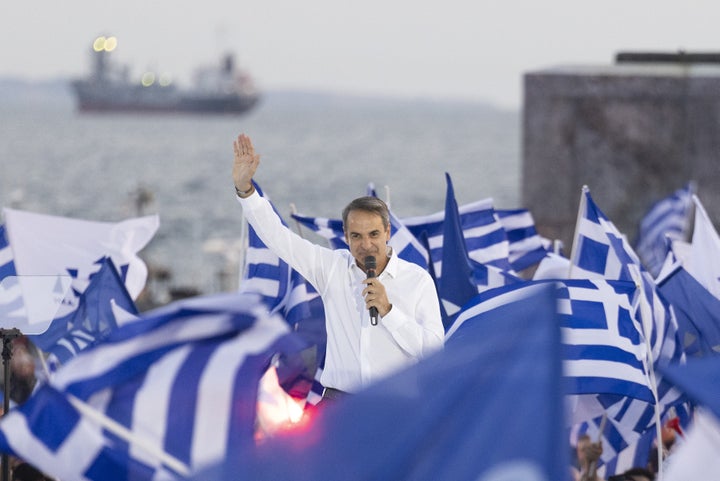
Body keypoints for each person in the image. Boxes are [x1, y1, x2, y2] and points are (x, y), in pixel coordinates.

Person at [232, 133, 444, 401]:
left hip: (395, 406)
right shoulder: (332, 268)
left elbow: (434, 352)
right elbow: (278, 238)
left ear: (388, 232)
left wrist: (389, 312)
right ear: (346, 236)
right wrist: (246, 191)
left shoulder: (417, 280)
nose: (366, 244)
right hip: (337, 404)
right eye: (356, 236)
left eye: (374, 235)